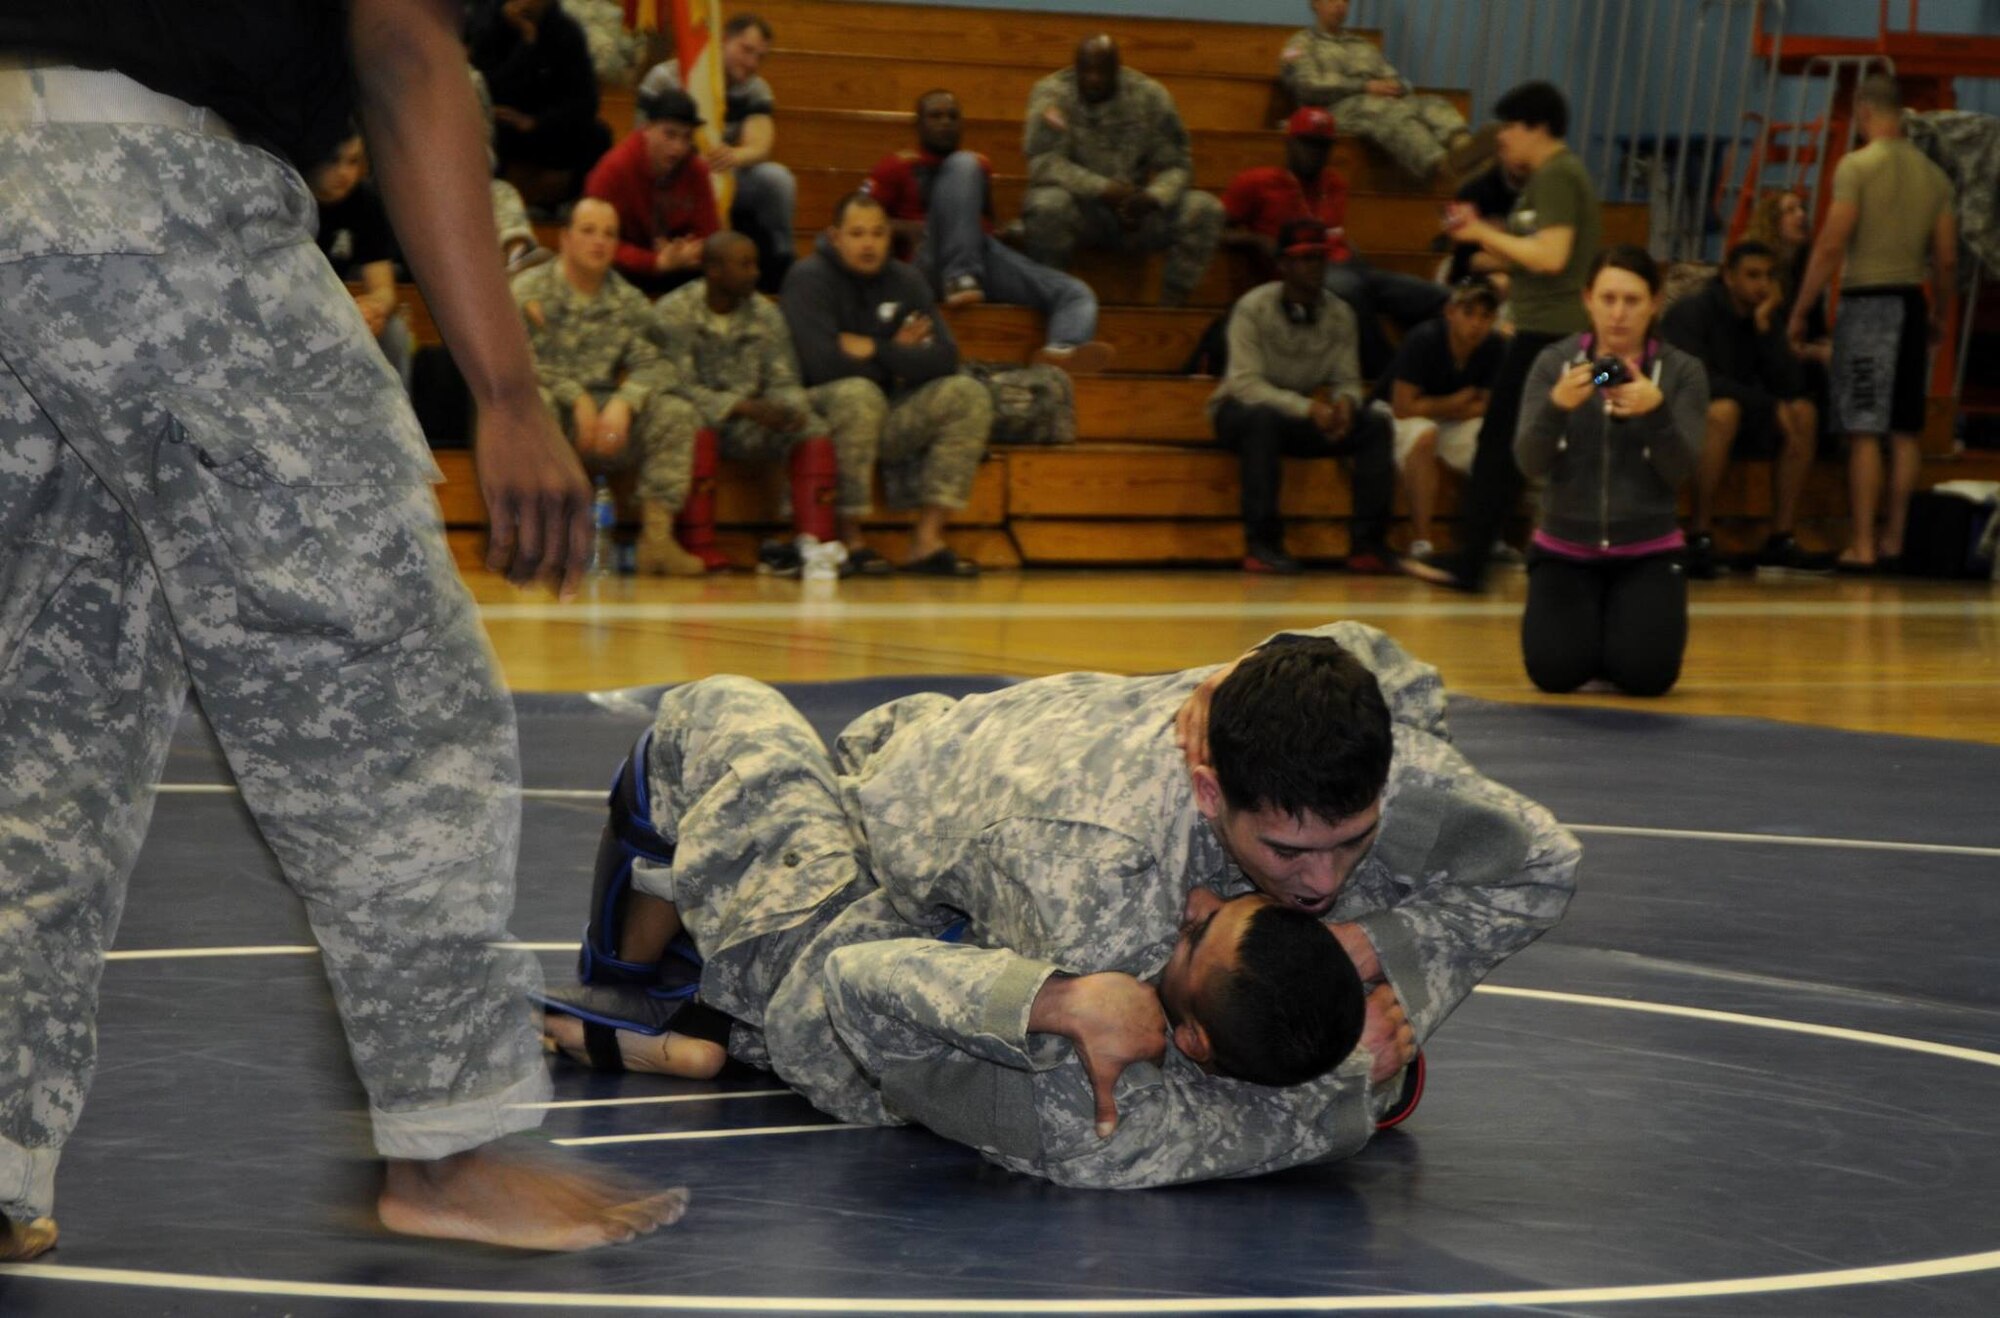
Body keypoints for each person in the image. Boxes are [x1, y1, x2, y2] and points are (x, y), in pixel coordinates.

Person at [0, 0, 682, 1261]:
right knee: (387, 686)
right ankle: (448, 1146)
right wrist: (508, 390)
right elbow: (402, 38)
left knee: (45, 722)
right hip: (140, 197)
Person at [543, 620, 1578, 1187]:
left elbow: (1389, 668)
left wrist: (1365, 955)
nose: (1320, 884)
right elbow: (861, 992)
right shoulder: (1095, 882)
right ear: (1211, 787)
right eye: (1287, 855)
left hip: (944, 825)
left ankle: (683, 1003)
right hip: (890, 834)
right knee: (719, 712)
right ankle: (646, 973)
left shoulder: (1360, 755)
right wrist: (1054, 995)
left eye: (1348, 842)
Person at [1514, 247, 1708, 697]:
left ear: (1656, 302)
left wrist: (1656, 413)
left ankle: (1618, 631)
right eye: (1608, 299)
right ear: (1587, 299)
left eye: (1632, 300)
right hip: (1565, 549)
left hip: (1647, 551)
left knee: (1646, 677)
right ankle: (1596, 633)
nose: (1618, 314)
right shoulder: (1553, 364)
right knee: (1554, 674)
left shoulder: (1682, 372)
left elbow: (1680, 470)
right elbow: (1528, 461)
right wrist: (1556, 409)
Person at [1432, 80, 1602, 592]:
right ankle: (1475, 557)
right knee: (1508, 445)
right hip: (1539, 329)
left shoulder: (1557, 177)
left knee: (1505, 445)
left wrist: (1482, 233)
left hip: (1551, 333)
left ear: (1538, 127)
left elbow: (1551, 257)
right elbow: (1534, 255)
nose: (1502, 137)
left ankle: (1472, 561)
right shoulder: (1546, 180)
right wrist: (1474, 240)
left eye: (1509, 125)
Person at [1208, 220, 1450, 579]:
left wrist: (1346, 405)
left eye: (1320, 258)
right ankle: (1262, 544)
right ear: (1284, 265)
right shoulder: (1252, 308)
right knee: (1261, 420)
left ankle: (1367, 545)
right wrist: (1309, 408)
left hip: (1301, 414)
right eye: (1304, 259)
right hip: (1240, 412)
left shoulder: (1340, 313)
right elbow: (1245, 385)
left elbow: (1347, 379)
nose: (1315, 267)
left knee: (1374, 424)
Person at [1788, 74, 1956, 573]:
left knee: (1864, 428)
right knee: (1904, 431)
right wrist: (1940, 313)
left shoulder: (1856, 166)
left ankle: (1861, 544)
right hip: (1912, 302)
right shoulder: (1935, 177)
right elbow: (1946, 260)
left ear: (1862, 110)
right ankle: (1894, 540)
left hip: (1868, 303)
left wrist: (1801, 308)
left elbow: (1833, 242)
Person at [780, 192, 994, 576]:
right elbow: (823, 366)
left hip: (888, 411)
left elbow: (945, 358)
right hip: (819, 417)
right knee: (857, 394)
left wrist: (876, 349)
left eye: (878, 234)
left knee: (967, 394)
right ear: (835, 236)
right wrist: (897, 358)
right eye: (857, 233)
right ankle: (850, 538)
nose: (869, 243)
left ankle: (927, 542)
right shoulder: (808, 279)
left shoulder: (906, 280)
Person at [514, 199, 706, 575]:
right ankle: (537, 540)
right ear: (565, 238)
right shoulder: (529, 290)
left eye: (609, 234)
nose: (599, 241)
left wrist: (625, 402)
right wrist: (575, 395)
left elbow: (661, 364)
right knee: (533, 404)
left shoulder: (628, 301)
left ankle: (657, 541)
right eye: (588, 231)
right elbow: (513, 365)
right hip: (557, 415)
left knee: (676, 411)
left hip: (608, 426)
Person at [867, 89, 1113, 373]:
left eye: (952, 116)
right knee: (963, 163)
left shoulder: (979, 166)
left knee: (1076, 293)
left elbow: (984, 219)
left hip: (980, 255)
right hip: (927, 261)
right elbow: (862, 221)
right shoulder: (897, 166)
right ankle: (959, 278)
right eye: (935, 116)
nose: (945, 122)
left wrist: (1005, 233)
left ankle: (1060, 354)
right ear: (918, 123)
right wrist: (904, 227)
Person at [653, 232, 855, 574]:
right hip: (698, 425)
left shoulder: (766, 314)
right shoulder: (674, 312)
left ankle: (814, 546)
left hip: (753, 425)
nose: (756, 273)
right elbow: (674, 386)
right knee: (685, 419)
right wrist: (741, 406)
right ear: (714, 270)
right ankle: (697, 544)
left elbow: (784, 379)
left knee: (812, 427)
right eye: (745, 265)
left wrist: (788, 410)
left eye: (755, 264)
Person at [1221, 106, 1449, 378]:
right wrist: (1257, 240)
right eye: (1307, 144)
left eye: (1322, 146)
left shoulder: (1334, 184)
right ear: (1290, 142)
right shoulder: (1255, 182)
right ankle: (1389, 376)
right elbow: (1217, 229)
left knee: (1437, 298)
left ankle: (1436, 369)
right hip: (1300, 275)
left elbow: (1335, 235)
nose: (1315, 153)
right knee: (1351, 291)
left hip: (1347, 267)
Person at [1020, 35, 1225, 308]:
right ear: (1075, 67)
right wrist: (1104, 190)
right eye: (1085, 70)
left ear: (1117, 69)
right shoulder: (1052, 94)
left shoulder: (1149, 96)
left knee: (1205, 208)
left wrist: (1152, 198)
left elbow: (1178, 166)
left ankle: (1172, 308)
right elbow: (1043, 162)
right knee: (1046, 205)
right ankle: (1053, 301)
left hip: (1138, 215)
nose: (1093, 79)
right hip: (1084, 212)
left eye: (1101, 71)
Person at [1660, 242, 1824, 575]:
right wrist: (1768, 404)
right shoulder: (1692, 312)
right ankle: (1699, 533)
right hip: (1691, 415)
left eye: (1768, 276)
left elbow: (1791, 385)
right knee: (1724, 411)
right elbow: (1697, 380)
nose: (1762, 285)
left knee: (1804, 413)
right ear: (1729, 277)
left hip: (1750, 413)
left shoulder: (1766, 316)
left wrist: (1767, 330)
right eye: (1752, 275)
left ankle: (1781, 536)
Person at [639, 13, 795, 293]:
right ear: (722, 41)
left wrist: (733, 155)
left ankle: (782, 262)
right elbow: (641, 139)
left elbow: (761, 144)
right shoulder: (664, 78)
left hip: (726, 175)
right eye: (746, 50)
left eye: (760, 57)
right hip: (674, 175)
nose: (751, 63)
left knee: (777, 180)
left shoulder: (755, 89)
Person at [1278, 0, 1492, 185]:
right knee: (1379, 109)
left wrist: (1395, 86)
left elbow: (1393, 77)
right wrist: (1364, 86)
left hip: (1376, 102)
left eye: (1345, 1)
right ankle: (1443, 167)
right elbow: (1307, 86)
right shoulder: (1301, 44)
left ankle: (1467, 151)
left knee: (1433, 103)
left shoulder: (1362, 45)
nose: (1340, 5)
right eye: (1333, 0)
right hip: (1329, 113)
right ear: (1315, 3)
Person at [1378, 279, 1506, 561]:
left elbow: (1486, 405)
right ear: (1450, 312)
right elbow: (1402, 406)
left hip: (1448, 417)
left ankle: (1488, 537)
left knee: (1491, 439)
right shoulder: (1424, 339)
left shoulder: (1494, 346)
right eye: (1468, 313)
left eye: (1485, 316)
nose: (1476, 324)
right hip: (1394, 414)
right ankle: (1422, 541)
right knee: (1424, 436)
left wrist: (1450, 409)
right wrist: (1452, 404)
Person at [467, 0, 611, 205]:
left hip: (546, 125)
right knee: (478, 135)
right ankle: (495, 204)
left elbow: (586, 102)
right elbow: (487, 88)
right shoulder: (490, 26)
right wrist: (526, 44)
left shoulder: (567, 32)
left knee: (599, 136)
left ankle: (570, 204)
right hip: (504, 125)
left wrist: (536, 122)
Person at [582, 87, 720, 298]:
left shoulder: (696, 170)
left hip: (680, 268)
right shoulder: (615, 168)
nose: (678, 148)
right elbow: (592, 237)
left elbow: (710, 234)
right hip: (625, 270)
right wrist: (655, 261)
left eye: (686, 138)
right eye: (670, 135)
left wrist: (686, 252)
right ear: (647, 128)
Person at [306, 127, 416, 392]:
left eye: (353, 161)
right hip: (287, 309)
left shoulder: (365, 202)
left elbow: (384, 290)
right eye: (333, 160)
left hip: (336, 310)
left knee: (394, 333)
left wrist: (374, 308)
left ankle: (397, 423)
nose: (344, 172)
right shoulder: (287, 196)